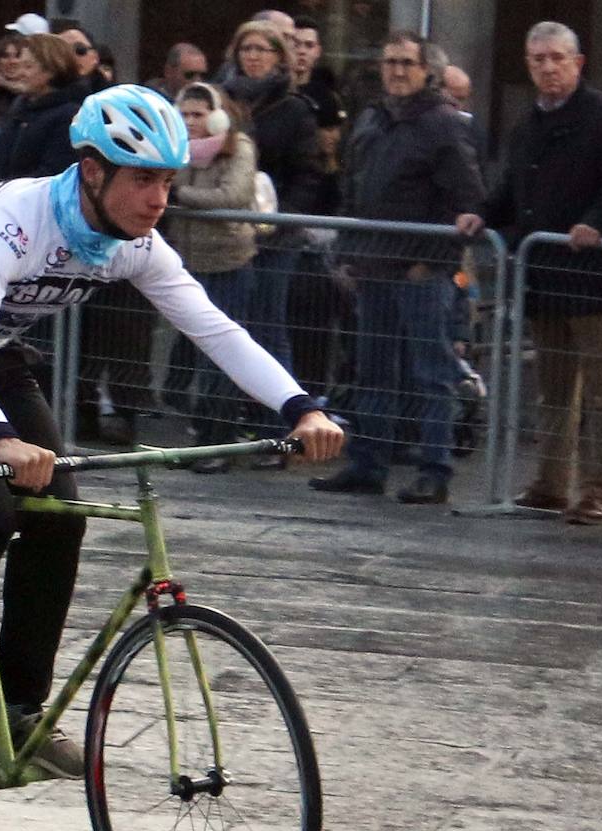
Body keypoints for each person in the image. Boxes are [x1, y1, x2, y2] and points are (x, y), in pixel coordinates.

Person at [0, 84, 343, 790]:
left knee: (60, 518)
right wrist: (0, 438)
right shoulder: (17, 220)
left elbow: (216, 330)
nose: (159, 199)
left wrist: (300, 408)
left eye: (168, 181)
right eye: (143, 180)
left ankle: (19, 711)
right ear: (93, 171)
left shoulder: (135, 245)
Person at [457, 21, 602, 524]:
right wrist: (481, 214)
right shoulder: (527, 125)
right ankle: (552, 483)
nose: (548, 67)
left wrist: (596, 222)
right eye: (538, 59)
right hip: (546, 276)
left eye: (557, 58)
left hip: (601, 279)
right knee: (555, 390)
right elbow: (510, 189)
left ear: (577, 63)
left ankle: (601, 489)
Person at [313, 29, 484, 505]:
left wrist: (432, 262)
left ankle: (435, 470)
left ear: (426, 69)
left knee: (432, 375)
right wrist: (349, 252)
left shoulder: (444, 124)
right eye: (390, 62)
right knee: (372, 372)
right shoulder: (372, 118)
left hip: (419, 272)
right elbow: (353, 189)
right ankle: (368, 465)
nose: (397, 71)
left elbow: (467, 201)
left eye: (407, 62)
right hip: (373, 268)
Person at [220, 20, 326, 463]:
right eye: (247, 48)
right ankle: (220, 430)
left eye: (262, 49)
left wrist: (281, 221)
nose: (253, 56)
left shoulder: (294, 109)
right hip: (228, 233)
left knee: (267, 328)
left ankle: (277, 432)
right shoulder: (222, 100)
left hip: (275, 236)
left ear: (279, 56)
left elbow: (309, 174)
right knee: (225, 330)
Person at [163, 82, 260, 474]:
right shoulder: (177, 149)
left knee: (220, 359)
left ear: (217, 116)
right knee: (189, 363)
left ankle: (218, 440)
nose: (190, 122)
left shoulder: (239, 147)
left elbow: (233, 195)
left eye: (198, 114)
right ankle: (201, 436)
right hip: (189, 263)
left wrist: (179, 194)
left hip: (228, 263)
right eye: (184, 114)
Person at [0, 33, 80, 199]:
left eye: (28, 67)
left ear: (51, 70)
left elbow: (49, 177)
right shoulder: (20, 110)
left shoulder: (68, 116)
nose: (19, 72)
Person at [0, 33, 23, 128]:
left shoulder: (31, 94)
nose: (12, 61)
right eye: (5, 56)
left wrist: (6, 84)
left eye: (17, 56)